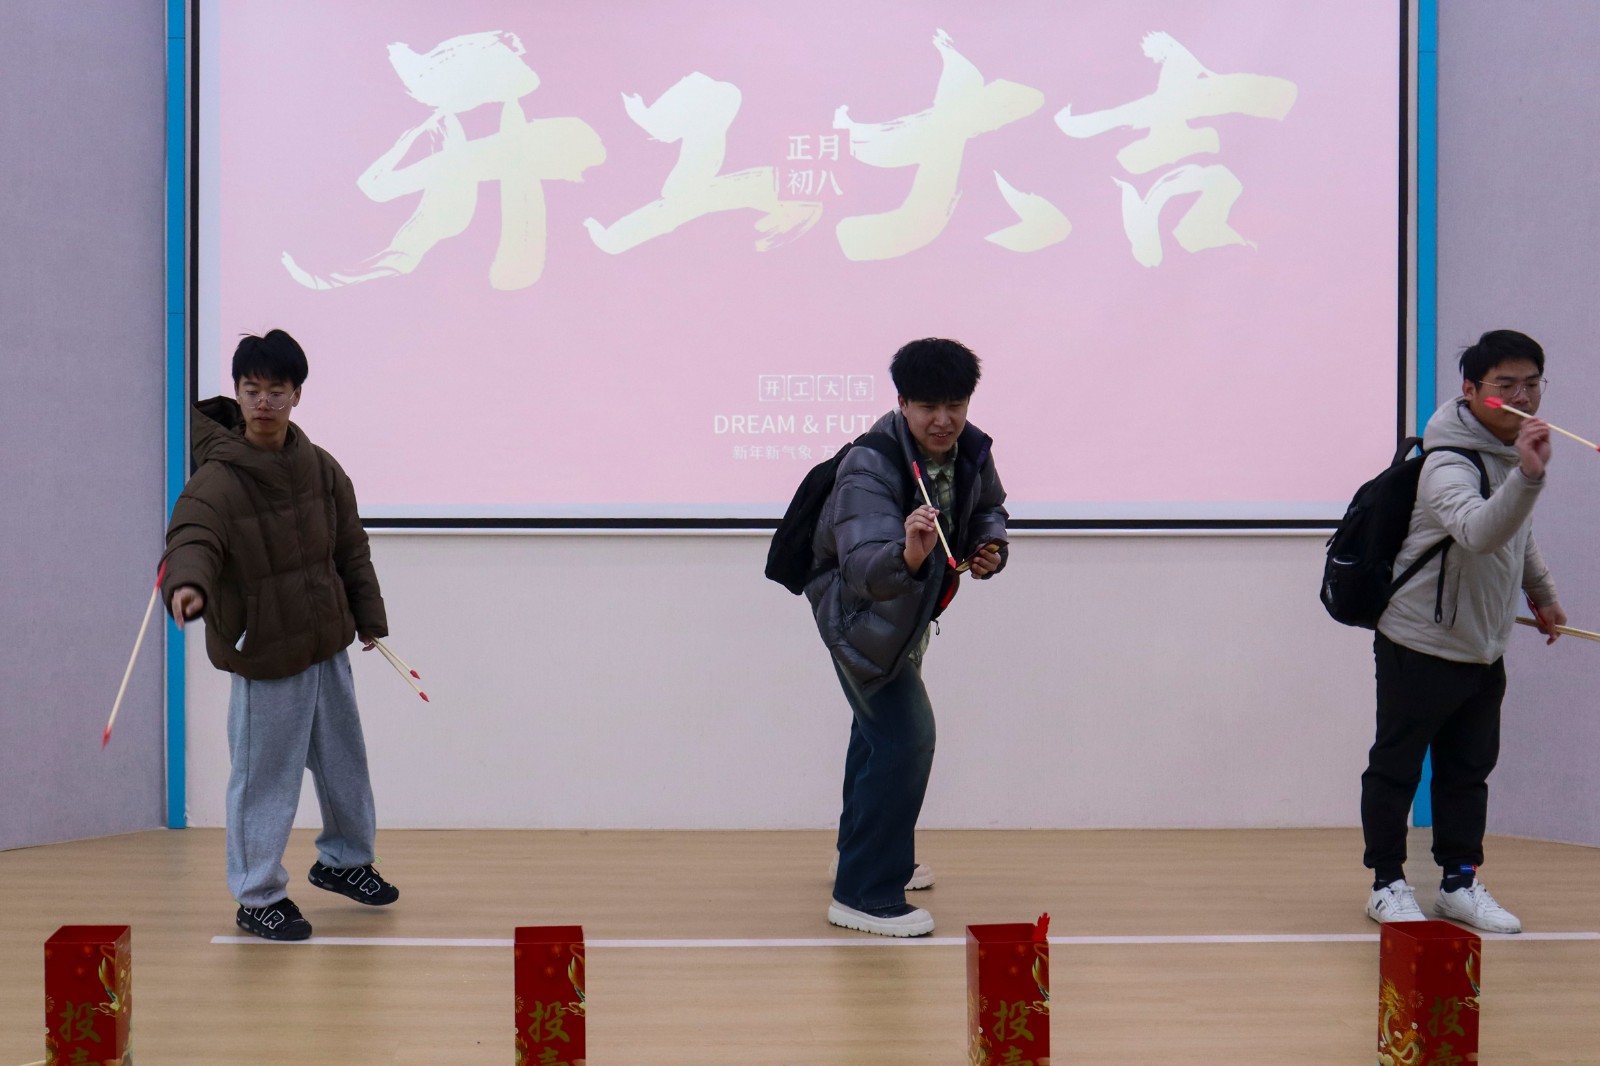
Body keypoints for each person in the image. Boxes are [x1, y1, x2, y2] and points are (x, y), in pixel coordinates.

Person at [162, 329, 399, 941]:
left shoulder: (320, 467)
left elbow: (350, 546)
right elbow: (192, 538)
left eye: (276, 390)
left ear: (297, 394)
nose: (263, 401)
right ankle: (257, 895)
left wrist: (368, 617)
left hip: (325, 640)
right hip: (266, 649)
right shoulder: (217, 480)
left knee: (344, 762)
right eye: (252, 390)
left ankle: (345, 861)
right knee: (264, 777)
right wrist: (187, 586)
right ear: (238, 394)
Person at [1362, 329, 1565, 933]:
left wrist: (1543, 594)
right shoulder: (1447, 462)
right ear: (1471, 390)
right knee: (1397, 766)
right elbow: (1479, 532)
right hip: (1420, 642)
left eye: (1532, 384)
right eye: (1506, 385)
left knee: (1468, 771)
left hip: (1483, 645)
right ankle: (1386, 883)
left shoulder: (1504, 455)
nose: (1522, 397)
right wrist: (1528, 476)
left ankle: (1458, 882)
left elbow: (1517, 536)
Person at [807, 338, 1008, 936]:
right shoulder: (870, 463)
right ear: (901, 403)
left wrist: (989, 547)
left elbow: (989, 508)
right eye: (927, 406)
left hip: (907, 619)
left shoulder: (972, 449)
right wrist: (910, 554)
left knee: (876, 738)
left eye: (955, 405)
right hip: (859, 620)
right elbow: (862, 568)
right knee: (905, 738)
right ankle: (864, 893)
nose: (943, 420)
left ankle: (862, 856)